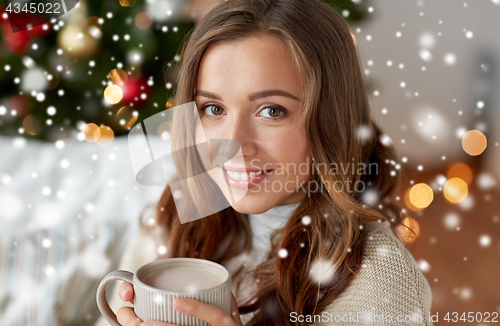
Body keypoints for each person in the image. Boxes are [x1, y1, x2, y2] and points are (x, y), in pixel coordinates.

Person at [95, 0, 433, 325]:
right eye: (213, 109)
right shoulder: (181, 214)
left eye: (272, 110)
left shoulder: (379, 284)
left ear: (331, 120)